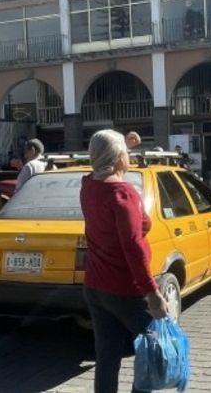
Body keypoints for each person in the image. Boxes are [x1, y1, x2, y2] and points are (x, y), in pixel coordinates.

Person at [80, 130, 168, 393]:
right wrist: (152, 293)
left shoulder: (88, 185)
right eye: (126, 154)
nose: (129, 156)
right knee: (155, 353)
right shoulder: (123, 193)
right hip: (126, 288)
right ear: (119, 158)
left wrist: (121, 146)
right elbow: (133, 245)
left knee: (107, 356)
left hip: (95, 286)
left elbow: (105, 166)